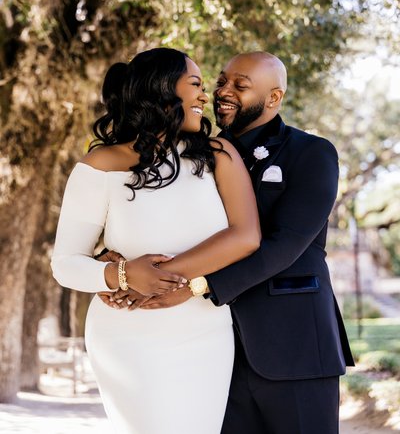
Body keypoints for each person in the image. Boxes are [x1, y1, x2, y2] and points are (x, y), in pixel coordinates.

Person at [104, 51, 355, 434]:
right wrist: (114, 258)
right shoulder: (192, 157)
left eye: (241, 85)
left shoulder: (313, 153)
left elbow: (286, 244)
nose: (223, 91)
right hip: (211, 351)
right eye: (221, 81)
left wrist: (195, 286)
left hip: (294, 345)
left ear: (274, 98)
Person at [51, 47, 261, 434]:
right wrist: (121, 275)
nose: (204, 97)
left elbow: (245, 236)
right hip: (127, 335)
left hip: (204, 332)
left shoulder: (218, 154)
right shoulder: (100, 165)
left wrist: (156, 276)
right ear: (162, 89)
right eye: (195, 84)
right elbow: (65, 264)